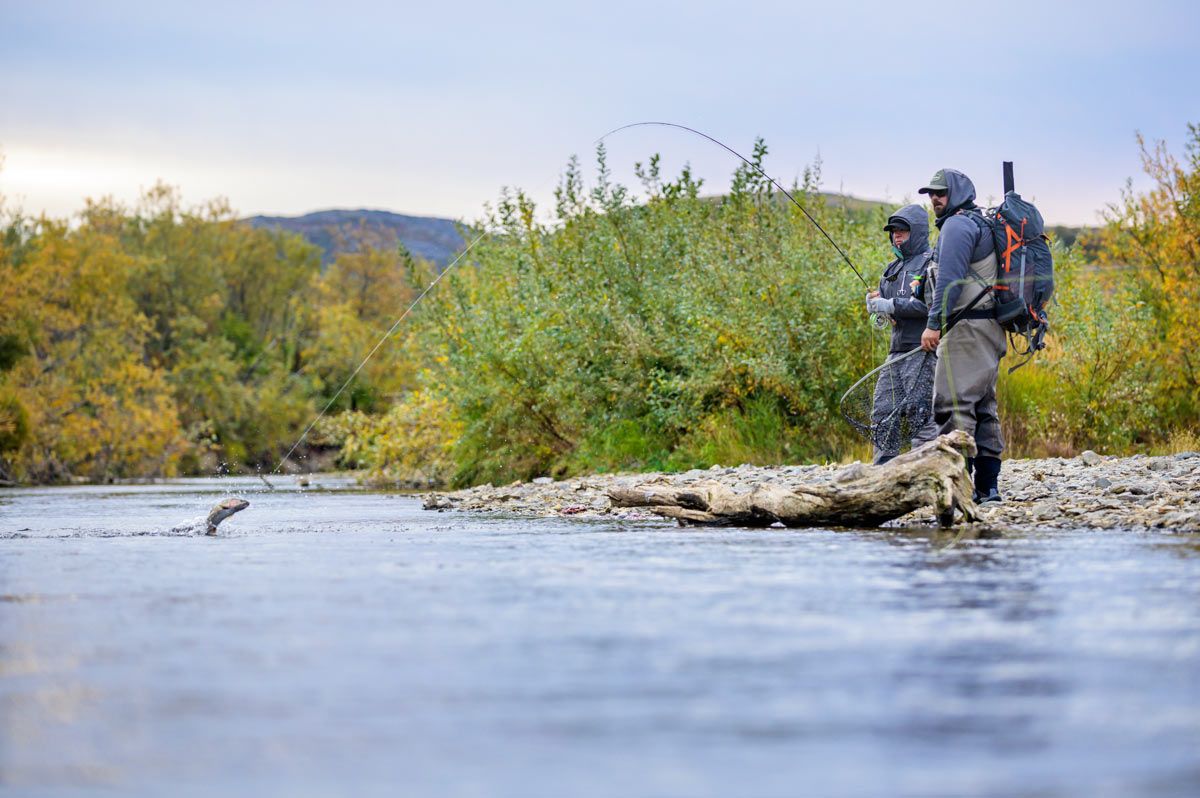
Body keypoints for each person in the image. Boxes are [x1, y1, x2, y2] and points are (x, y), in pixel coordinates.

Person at [918, 169, 1004, 502]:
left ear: (956, 193)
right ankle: (988, 488)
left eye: (940, 193)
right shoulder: (978, 222)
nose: (934, 199)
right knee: (983, 405)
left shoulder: (957, 225)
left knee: (952, 404)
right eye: (930, 194)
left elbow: (951, 281)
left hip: (966, 329)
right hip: (988, 327)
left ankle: (960, 489)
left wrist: (934, 323)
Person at [864, 204, 938, 464]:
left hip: (922, 352)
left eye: (902, 231)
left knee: (920, 414)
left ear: (916, 232)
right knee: (882, 412)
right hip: (895, 353)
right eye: (894, 231)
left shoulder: (931, 263)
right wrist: (876, 309)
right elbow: (886, 311)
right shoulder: (890, 270)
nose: (897, 236)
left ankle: (925, 472)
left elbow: (930, 306)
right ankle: (883, 472)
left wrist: (891, 305)